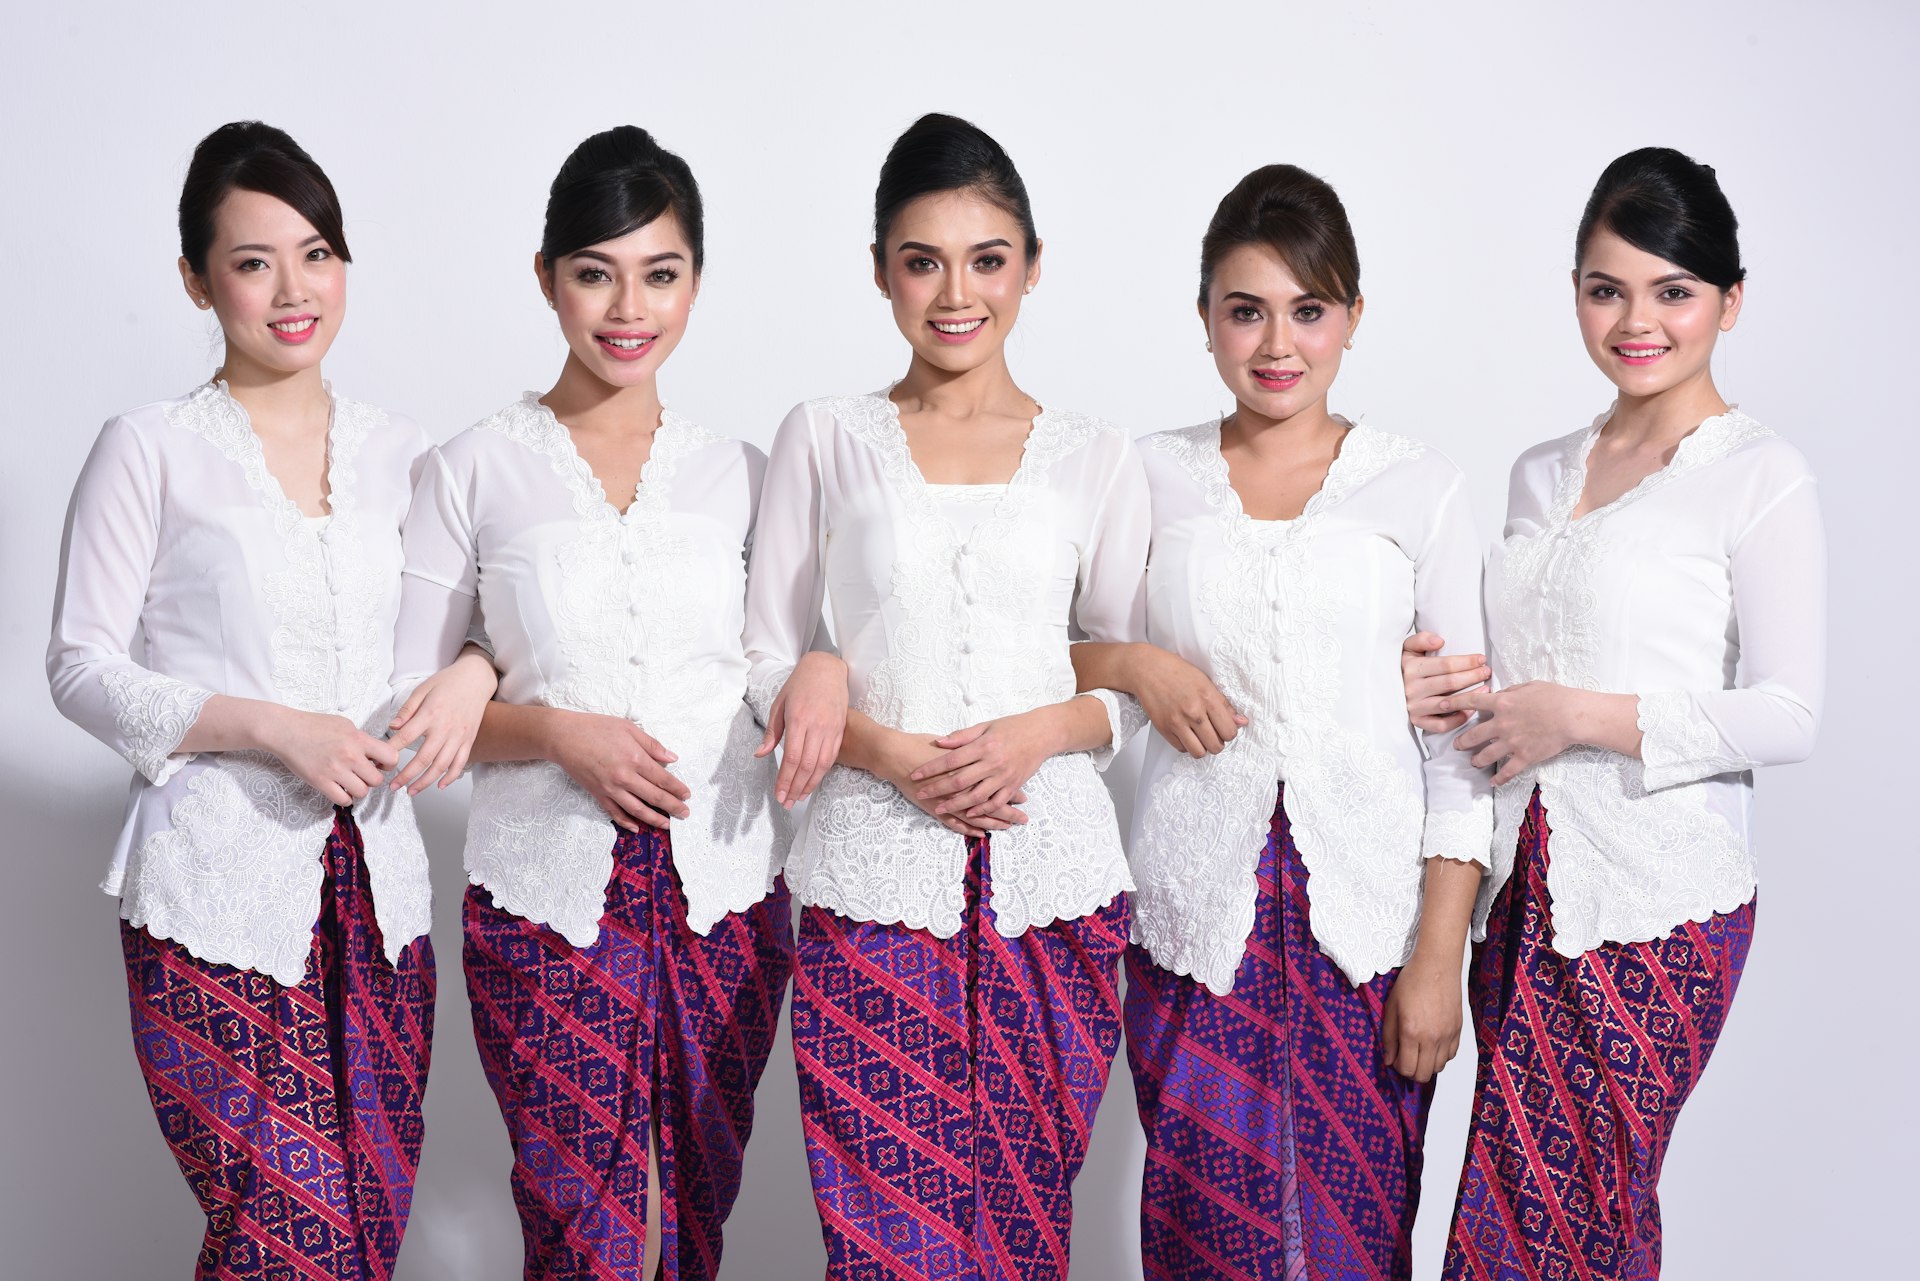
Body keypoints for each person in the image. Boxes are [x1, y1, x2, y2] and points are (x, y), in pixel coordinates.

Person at [47, 120, 494, 1280]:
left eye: (317, 252)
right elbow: (80, 666)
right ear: (196, 279)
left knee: (369, 1228)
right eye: (253, 262)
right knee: (285, 1241)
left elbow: (467, 636)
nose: (294, 290)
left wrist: (476, 673)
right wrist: (269, 727)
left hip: (384, 898)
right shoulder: (147, 448)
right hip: (213, 895)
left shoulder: (411, 457)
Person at [391, 125, 831, 1281]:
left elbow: (789, 655)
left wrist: (826, 668)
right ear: (548, 279)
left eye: (660, 272)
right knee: (581, 1224)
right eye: (596, 271)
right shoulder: (472, 468)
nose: (628, 306)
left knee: (691, 1219)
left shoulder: (744, 472)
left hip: (726, 895)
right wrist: (550, 730)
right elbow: (405, 702)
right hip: (544, 898)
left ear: (695, 281)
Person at [743, 112, 1148, 1280]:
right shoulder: (825, 436)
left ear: (1030, 266)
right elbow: (761, 658)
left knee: (1022, 1225)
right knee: (884, 1234)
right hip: (870, 874)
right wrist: (867, 734)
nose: (954, 293)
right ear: (880, 272)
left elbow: (1119, 674)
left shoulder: (1093, 454)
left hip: (1053, 877)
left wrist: (1038, 732)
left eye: (986, 259)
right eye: (922, 261)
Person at [1071, 163, 1491, 1280]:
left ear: (1352, 317)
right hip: (1194, 920)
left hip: (1371, 925)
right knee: (1204, 1234)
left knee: (1357, 1237)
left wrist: (1439, 953)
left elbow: (1462, 740)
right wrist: (1138, 665)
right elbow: (1053, 657)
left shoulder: (1421, 489)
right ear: (1204, 316)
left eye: (1309, 310)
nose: (1277, 343)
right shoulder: (1145, 477)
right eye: (1245, 309)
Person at [1424, 147, 1825, 1280]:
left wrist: (1581, 717)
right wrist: (1446, 686)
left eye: (1673, 291)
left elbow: (1790, 714)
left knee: (1581, 1206)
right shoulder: (1538, 473)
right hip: (1525, 894)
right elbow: (1505, 693)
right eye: (1608, 289)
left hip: (1662, 905)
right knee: (1520, 1217)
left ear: (1729, 301)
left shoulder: (1760, 476)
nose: (1637, 320)